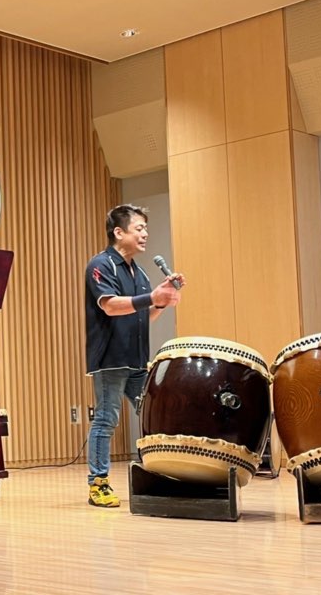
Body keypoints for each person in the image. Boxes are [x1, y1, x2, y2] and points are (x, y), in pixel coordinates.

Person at [84, 204, 185, 508]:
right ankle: (98, 483)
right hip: (111, 359)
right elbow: (111, 306)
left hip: (137, 361)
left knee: (154, 414)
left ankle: (158, 476)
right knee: (106, 419)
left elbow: (144, 316)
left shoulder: (138, 272)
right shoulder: (100, 265)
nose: (145, 234)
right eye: (139, 228)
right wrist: (151, 297)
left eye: (145, 228)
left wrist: (163, 299)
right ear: (119, 232)